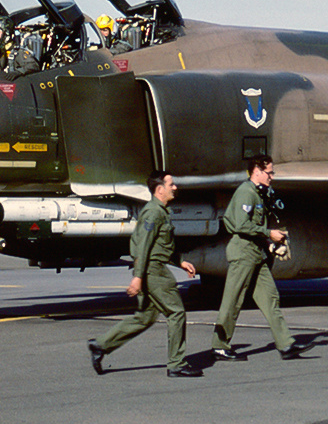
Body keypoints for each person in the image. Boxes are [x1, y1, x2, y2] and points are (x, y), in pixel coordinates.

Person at [88, 171, 202, 378]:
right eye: (171, 185)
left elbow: (160, 243)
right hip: (153, 270)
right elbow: (143, 246)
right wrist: (138, 277)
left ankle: (100, 345)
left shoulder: (161, 211)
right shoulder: (153, 213)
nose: (175, 188)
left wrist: (180, 261)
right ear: (160, 189)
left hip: (152, 268)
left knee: (145, 318)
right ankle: (176, 363)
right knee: (176, 313)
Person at [211, 155, 305, 361]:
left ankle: (286, 345)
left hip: (257, 254)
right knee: (233, 300)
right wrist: (268, 233)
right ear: (257, 171)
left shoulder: (258, 194)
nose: (272, 176)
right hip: (243, 254)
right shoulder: (246, 192)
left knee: (270, 298)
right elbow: (238, 224)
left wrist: (269, 244)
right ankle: (219, 346)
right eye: (269, 172)